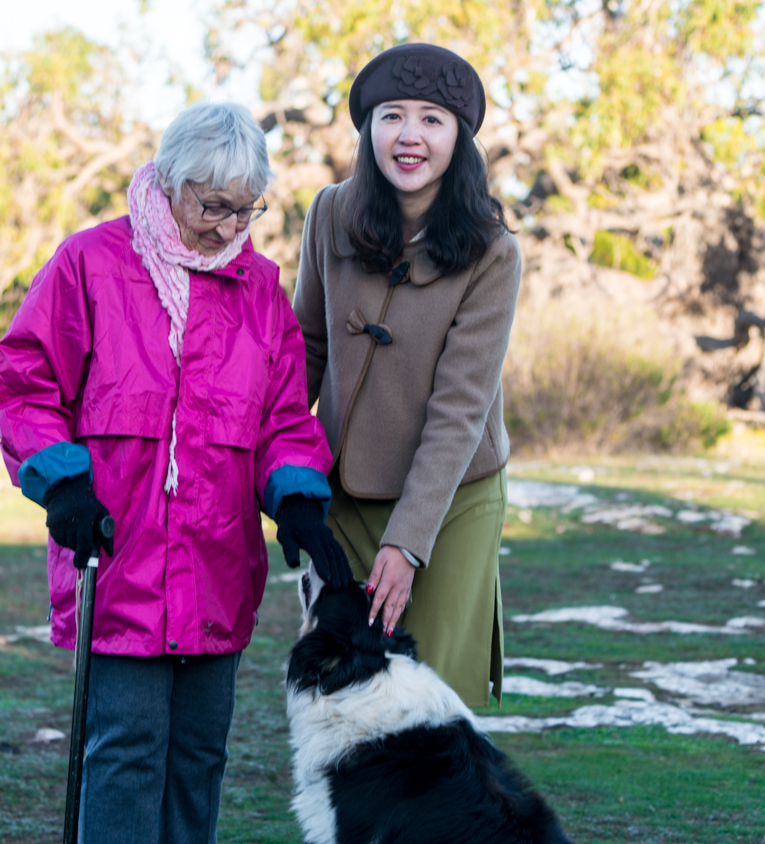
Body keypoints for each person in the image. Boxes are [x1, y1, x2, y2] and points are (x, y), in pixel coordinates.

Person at [0, 101, 348, 844]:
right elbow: (26, 382)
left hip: (218, 567)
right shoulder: (91, 264)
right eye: (212, 206)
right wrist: (62, 484)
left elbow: (282, 420)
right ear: (168, 181)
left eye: (246, 211)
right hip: (118, 559)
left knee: (197, 759)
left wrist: (299, 500)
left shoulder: (259, 292)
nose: (228, 228)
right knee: (124, 755)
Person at [292, 43, 522, 708]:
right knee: (344, 699)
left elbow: (461, 410)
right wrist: (279, 476)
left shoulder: (492, 252)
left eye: (432, 119)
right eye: (392, 116)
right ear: (370, 131)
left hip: (451, 501)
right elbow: (303, 354)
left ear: (459, 137)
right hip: (345, 494)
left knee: (430, 707)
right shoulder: (330, 212)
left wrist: (408, 543)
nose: (410, 136)